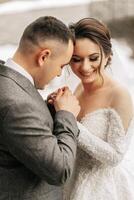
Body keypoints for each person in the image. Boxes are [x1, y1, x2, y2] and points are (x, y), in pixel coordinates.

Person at [0, 16, 80, 200]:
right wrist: (66, 115)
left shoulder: (7, 80)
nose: (60, 73)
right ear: (43, 56)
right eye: (61, 65)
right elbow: (61, 171)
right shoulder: (17, 104)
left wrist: (50, 110)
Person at [61, 18, 134, 199]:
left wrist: (73, 125)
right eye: (76, 59)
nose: (85, 67)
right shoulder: (77, 89)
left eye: (93, 58)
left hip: (102, 189)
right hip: (71, 182)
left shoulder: (119, 95)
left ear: (108, 55)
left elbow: (115, 156)